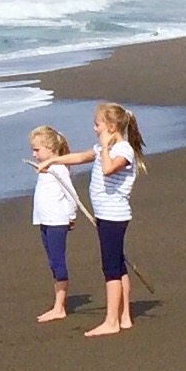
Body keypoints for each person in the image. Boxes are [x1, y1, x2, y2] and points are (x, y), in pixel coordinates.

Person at [52, 103, 144, 337]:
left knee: (110, 268)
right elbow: (81, 157)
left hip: (114, 216)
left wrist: (104, 147)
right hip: (104, 215)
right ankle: (124, 317)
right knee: (119, 265)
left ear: (111, 127)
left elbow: (108, 169)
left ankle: (111, 321)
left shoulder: (123, 150)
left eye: (97, 125)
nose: (94, 129)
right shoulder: (106, 148)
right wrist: (52, 161)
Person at [26, 125, 78, 321]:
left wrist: (71, 215)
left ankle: (59, 307)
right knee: (52, 262)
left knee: (58, 261)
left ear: (50, 148)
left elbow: (71, 194)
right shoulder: (45, 169)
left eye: (37, 150)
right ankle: (58, 303)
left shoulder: (59, 169)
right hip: (45, 220)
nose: (34, 154)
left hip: (57, 220)